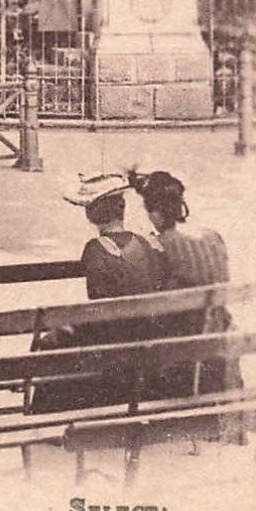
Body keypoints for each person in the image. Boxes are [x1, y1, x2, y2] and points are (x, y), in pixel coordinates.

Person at [30, 173, 166, 413]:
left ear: (91, 214)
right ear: (121, 210)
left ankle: (43, 415)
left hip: (114, 343)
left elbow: (98, 304)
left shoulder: (95, 250)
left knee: (52, 340)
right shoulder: (144, 243)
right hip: (146, 338)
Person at [132, 170, 242, 399]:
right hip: (219, 349)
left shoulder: (158, 246)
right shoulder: (213, 237)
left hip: (181, 361)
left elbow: (155, 305)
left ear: (154, 214)